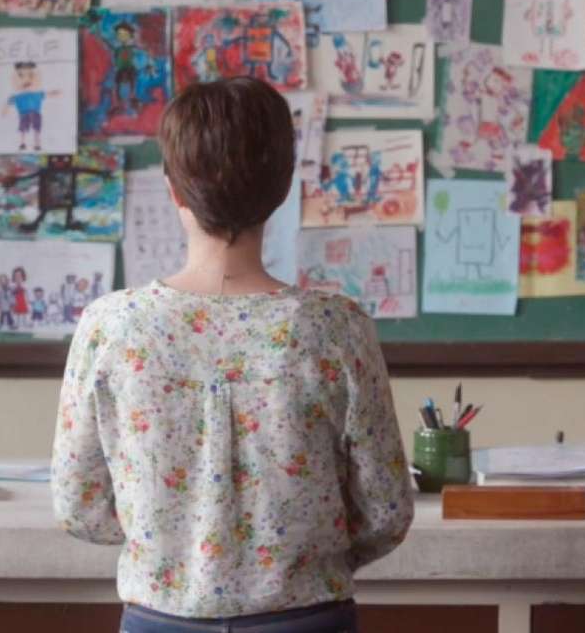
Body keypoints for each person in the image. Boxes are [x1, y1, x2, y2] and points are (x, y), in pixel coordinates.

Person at [52, 77, 413, 632]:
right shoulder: (335, 328)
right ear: (284, 187)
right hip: (306, 619)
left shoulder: (112, 327)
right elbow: (385, 512)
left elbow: (79, 505)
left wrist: (171, 544)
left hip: (161, 618)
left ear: (174, 190)